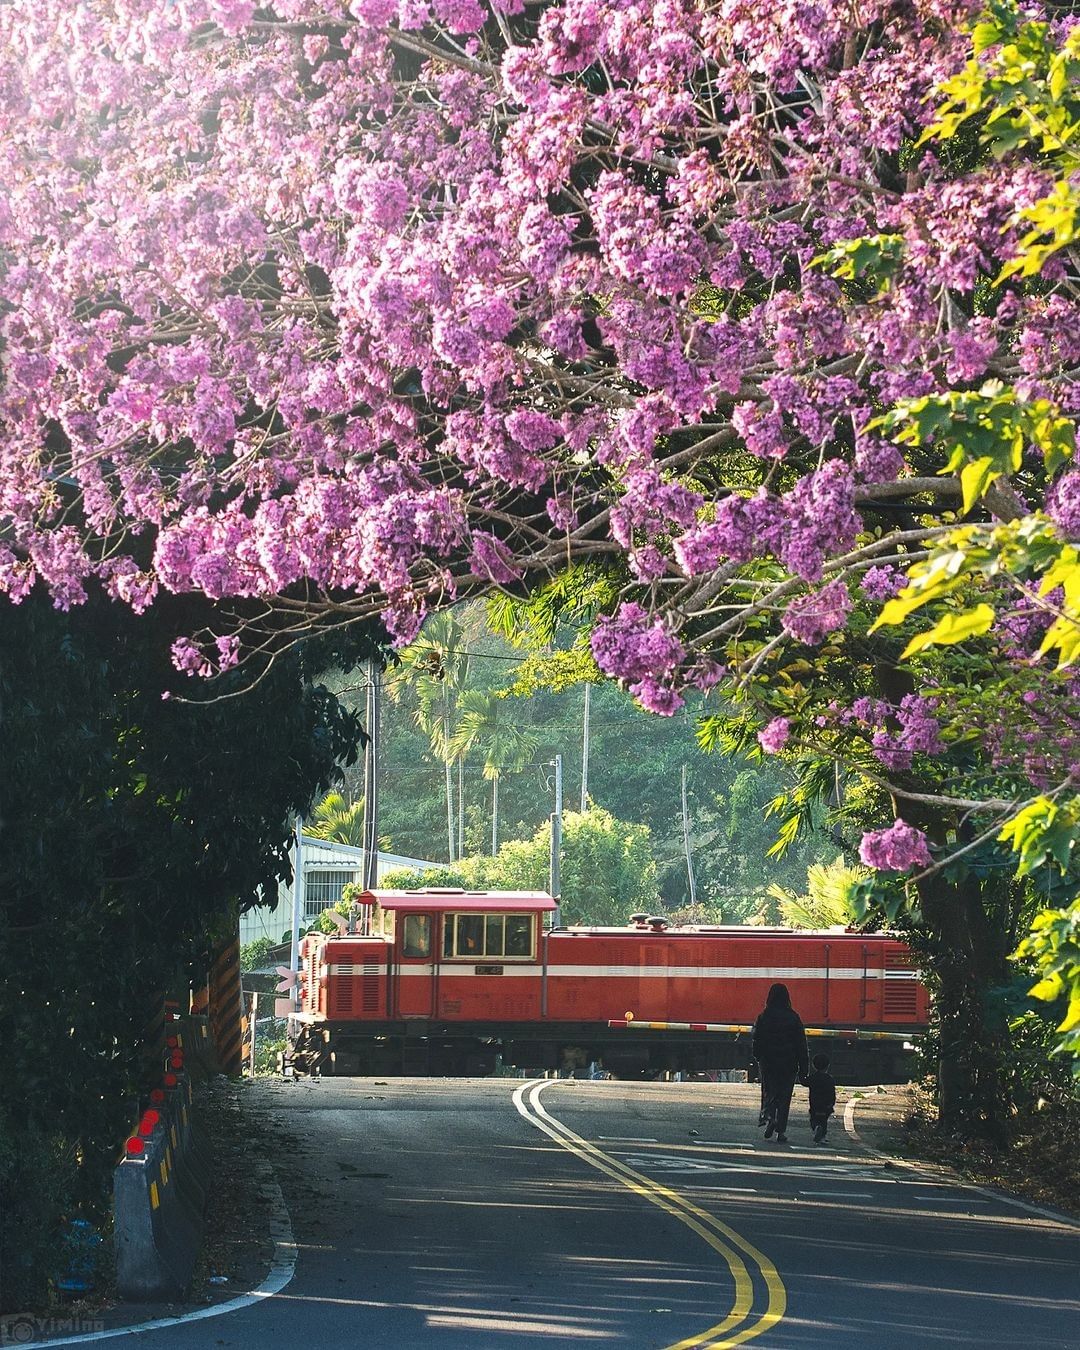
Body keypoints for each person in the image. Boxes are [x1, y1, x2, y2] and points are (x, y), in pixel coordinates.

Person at [751, 983, 808, 1143]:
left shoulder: (764, 1016)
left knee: (769, 1090)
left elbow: (757, 1038)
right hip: (789, 1062)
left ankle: (769, 1116)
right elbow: (801, 1044)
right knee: (785, 1095)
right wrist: (804, 1068)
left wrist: (758, 1056)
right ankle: (781, 1131)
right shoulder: (794, 1017)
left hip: (769, 1062)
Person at [805, 1052, 837, 1143]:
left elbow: (804, 1082)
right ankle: (822, 1136)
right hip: (826, 1104)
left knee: (813, 1119)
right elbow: (832, 1092)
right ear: (828, 1066)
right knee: (824, 1121)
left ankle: (816, 1128)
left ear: (813, 1066)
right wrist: (831, 1103)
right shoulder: (830, 1079)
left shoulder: (813, 1078)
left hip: (814, 1104)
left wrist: (802, 1073)